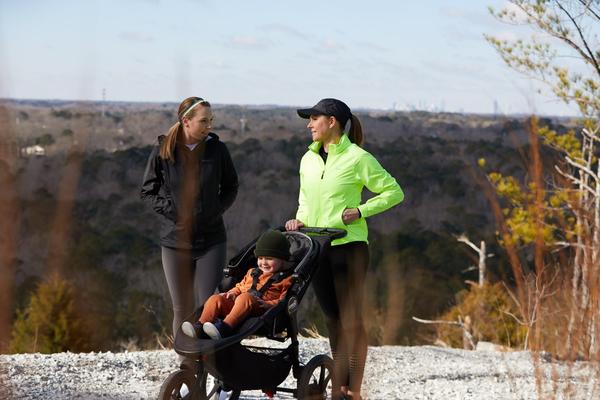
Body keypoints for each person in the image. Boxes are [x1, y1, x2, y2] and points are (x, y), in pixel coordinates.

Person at [285, 98, 404, 400]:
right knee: (332, 319)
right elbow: (305, 199)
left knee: (351, 319)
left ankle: (354, 389)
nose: (309, 125)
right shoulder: (308, 159)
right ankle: (338, 386)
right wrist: (299, 219)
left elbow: (394, 192)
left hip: (349, 248)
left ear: (332, 122)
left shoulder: (357, 158)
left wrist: (362, 210)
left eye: (314, 119)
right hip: (317, 247)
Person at [140, 96, 239, 363]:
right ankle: (187, 370)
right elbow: (148, 191)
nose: (209, 125)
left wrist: (215, 211)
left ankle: (214, 370)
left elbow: (231, 186)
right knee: (182, 309)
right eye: (204, 121)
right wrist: (175, 213)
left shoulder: (218, 150)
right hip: (175, 242)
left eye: (211, 120)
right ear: (186, 121)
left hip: (212, 241)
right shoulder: (163, 150)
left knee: (210, 307)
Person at [181, 229, 293, 340]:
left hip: (261, 309)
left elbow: (284, 301)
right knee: (215, 298)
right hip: (239, 305)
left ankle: (225, 327)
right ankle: (200, 327)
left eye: (269, 259)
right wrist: (232, 293)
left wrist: (269, 304)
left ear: (282, 260)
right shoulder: (252, 272)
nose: (263, 262)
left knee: (245, 297)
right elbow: (240, 286)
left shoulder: (286, 279)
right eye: (260, 258)